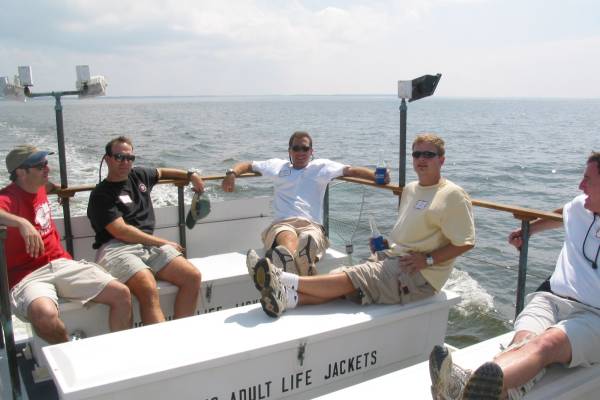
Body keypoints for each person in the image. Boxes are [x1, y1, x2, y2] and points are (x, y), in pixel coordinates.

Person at [246, 133, 475, 319]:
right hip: (394, 255)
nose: (421, 159)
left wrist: (427, 260)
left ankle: (283, 279)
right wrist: (389, 244)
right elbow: (415, 230)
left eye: (429, 154)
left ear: (441, 159)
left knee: (356, 276)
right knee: (345, 281)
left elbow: (465, 243)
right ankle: (287, 300)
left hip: (418, 274)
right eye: (417, 154)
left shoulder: (452, 195)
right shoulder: (412, 189)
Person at [429, 151, 600, 400]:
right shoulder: (580, 206)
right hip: (552, 300)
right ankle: (492, 393)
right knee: (524, 339)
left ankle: (460, 385)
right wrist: (529, 230)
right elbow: (563, 212)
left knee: (547, 344)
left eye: (588, 180)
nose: (580, 185)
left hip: (593, 316)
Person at [0, 145, 132, 344]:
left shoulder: (40, 186)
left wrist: (61, 191)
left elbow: (51, 187)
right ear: (20, 172)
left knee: (121, 294)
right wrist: (22, 222)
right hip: (28, 276)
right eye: (40, 166)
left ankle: (122, 353)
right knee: (44, 316)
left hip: (61, 264)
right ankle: (70, 352)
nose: (47, 169)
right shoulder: (8, 198)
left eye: (46, 164)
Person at [222, 130, 389, 276]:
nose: (300, 152)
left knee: (306, 240)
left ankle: (286, 277)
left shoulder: (321, 167)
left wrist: (376, 176)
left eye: (305, 148)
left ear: (311, 151)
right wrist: (232, 173)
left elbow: (351, 170)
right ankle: (305, 273)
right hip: (283, 223)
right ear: (289, 151)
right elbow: (249, 165)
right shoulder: (278, 166)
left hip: (312, 225)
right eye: (296, 148)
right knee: (289, 241)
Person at [87, 136, 203, 325]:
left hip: (147, 244)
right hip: (116, 248)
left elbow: (162, 172)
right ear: (107, 159)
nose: (125, 162)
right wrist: (162, 242)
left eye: (129, 158)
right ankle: (161, 347)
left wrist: (190, 175)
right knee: (148, 287)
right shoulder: (101, 194)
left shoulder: (139, 175)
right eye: (119, 157)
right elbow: (121, 231)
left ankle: (181, 335)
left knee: (192, 277)